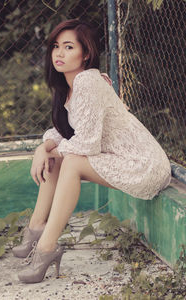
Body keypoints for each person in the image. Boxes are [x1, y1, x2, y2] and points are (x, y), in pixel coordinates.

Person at [12, 19, 171, 283]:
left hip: (144, 164)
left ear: (86, 54)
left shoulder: (89, 81)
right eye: (55, 46)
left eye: (68, 47)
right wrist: (44, 147)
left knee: (71, 161)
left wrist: (50, 149)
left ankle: (46, 249)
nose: (59, 53)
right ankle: (36, 229)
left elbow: (87, 144)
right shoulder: (69, 89)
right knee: (58, 156)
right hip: (119, 160)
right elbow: (67, 134)